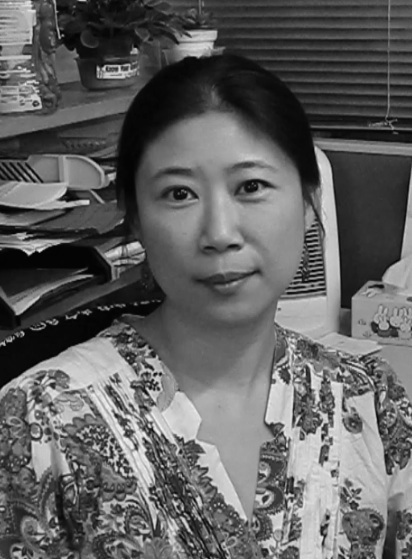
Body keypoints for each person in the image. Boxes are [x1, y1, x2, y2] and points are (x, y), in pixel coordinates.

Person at [0, 53, 411, 559]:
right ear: (136, 220)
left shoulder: (368, 399)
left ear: (309, 203)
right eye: (179, 194)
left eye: (251, 186)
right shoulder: (39, 420)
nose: (219, 232)